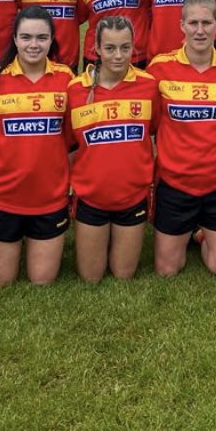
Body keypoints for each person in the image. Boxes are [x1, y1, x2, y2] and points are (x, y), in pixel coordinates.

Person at [148, 0, 216, 279]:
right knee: (167, 270)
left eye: (207, 22)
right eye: (193, 23)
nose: (200, 30)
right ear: (181, 25)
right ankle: (193, 229)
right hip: (175, 181)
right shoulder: (159, 68)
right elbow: (154, 121)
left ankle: (203, 234)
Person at [0, 5, 75, 287]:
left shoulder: (67, 80)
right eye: (26, 37)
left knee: (42, 280)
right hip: (1, 197)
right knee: (1, 282)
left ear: (52, 39)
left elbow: (74, 139)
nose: (34, 45)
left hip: (50, 197)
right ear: (15, 39)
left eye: (42, 38)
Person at [66, 16, 159, 282]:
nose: (118, 56)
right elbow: (69, 143)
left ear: (134, 47)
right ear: (96, 48)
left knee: (123, 275)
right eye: (110, 48)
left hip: (132, 196)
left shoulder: (149, 86)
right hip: (91, 197)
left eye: (125, 48)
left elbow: (153, 130)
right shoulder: (75, 89)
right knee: (91, 277)